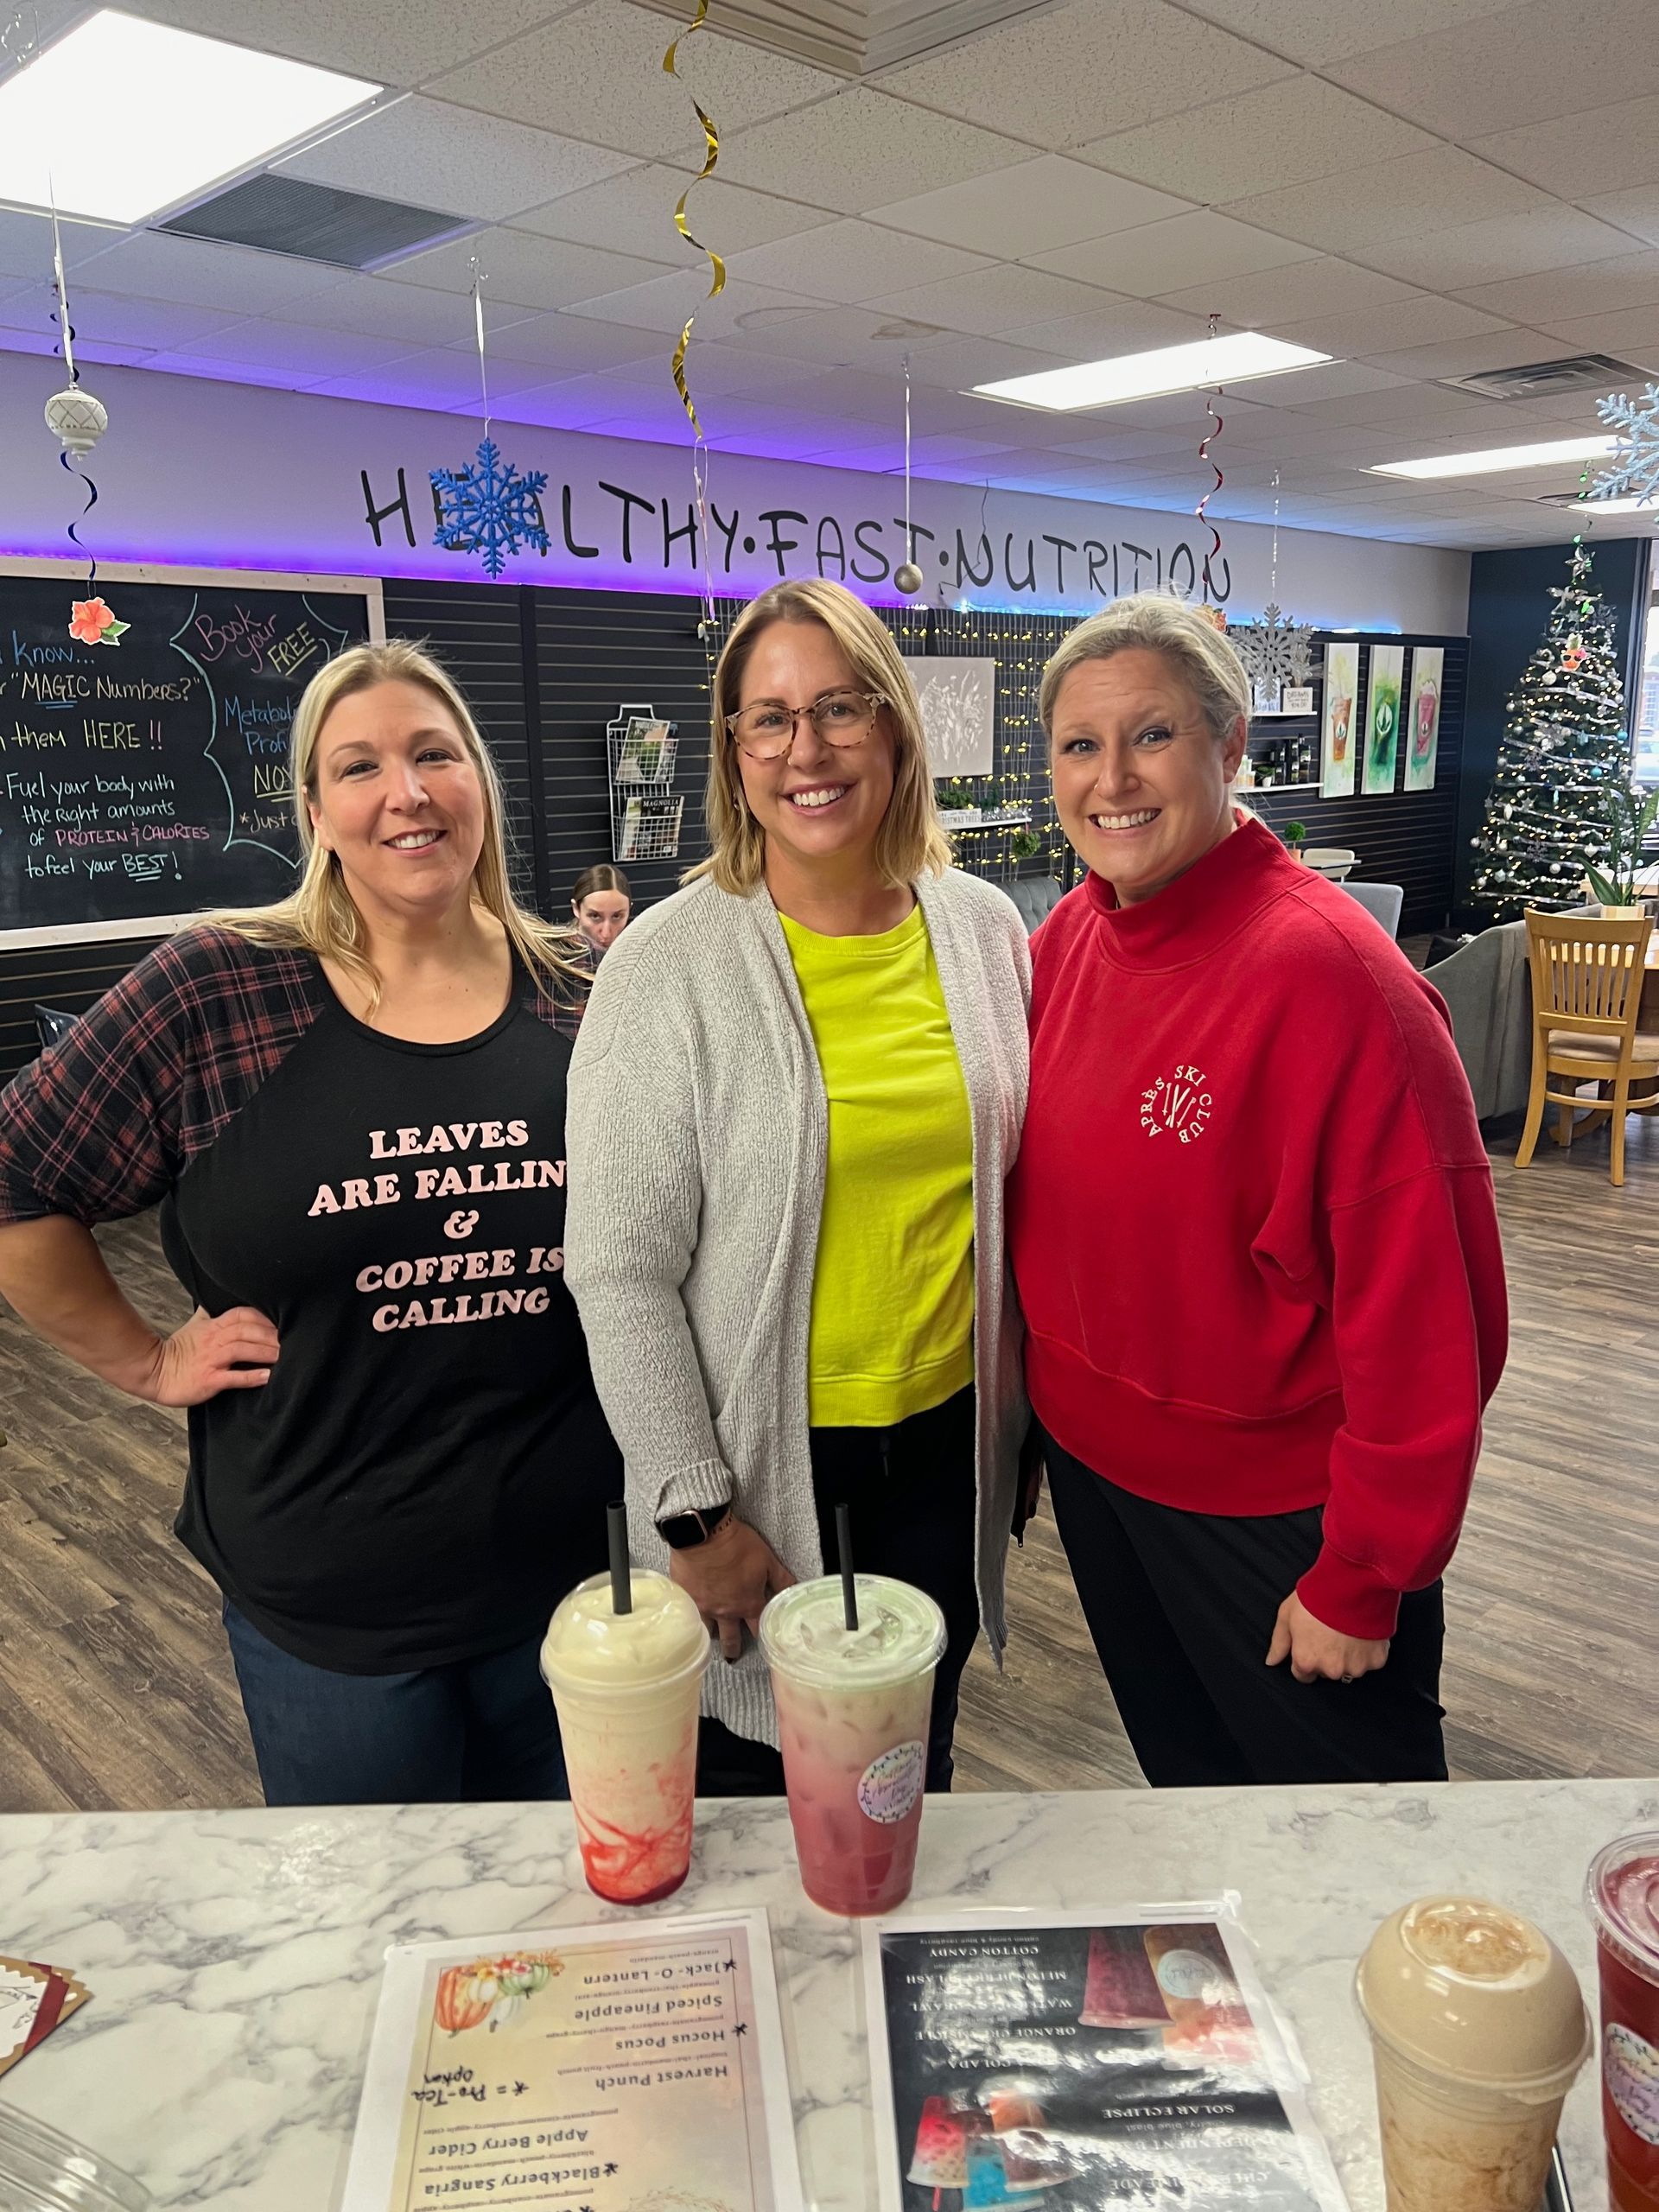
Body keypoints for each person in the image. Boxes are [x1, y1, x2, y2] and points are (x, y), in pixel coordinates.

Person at [0, 640, 620, 1807]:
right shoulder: (220, 988)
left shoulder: (581, 999)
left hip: (579, 1589)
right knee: (377, 1954)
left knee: (570, 1942)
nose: (408, 792)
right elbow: (16, 1176)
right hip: (331, 1613)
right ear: (315, 811)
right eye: (361, 766)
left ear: (479, 780)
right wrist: (142, 1360)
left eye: (436, 754)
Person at [1009, 593, 1508, 1789]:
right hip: (1101, 1483)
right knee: (1198, 1807)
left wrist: (1364, 1572)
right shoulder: (1069, 939)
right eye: (1081, 745)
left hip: (1278, 1526)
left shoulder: (1334, 980)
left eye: (1153, 735)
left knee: (1347, 1854)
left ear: (1231, 747)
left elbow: (1434, 1322)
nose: (1112, 778)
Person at [564, 578, 1030, 1795]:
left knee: (896, 1784)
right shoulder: (666, 965)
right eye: (767, 719)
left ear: (894, 728)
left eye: (839, 708)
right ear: (732, 750)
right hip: (764, 1474)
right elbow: (617, 1270)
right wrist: (695, 1518)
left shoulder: (983, 930)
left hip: (944, 1457)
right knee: (757, 1809)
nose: (805, 750)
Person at [571, 863, 632, 963]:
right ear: (576, 909)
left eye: (616, 916)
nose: (606, 933)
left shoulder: (638, 955)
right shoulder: (559, 959)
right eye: (595, 916)